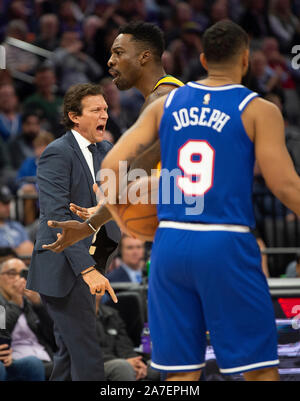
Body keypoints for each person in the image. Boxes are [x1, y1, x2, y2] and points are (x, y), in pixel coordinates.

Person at [99, 20, 290, 381]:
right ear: (246, 60)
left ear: (202, 59)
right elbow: (284, 186)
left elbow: (110, 165)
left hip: (169, 244)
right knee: (259, 371)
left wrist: (126, 218)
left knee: (180, 375)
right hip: (224, 239)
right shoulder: (258, 109)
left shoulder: (165, 104)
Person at [42, 21, 184, 253]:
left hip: (180, 225)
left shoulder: (160, 98)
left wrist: (92, 223)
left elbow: (137, 172)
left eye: (119, 53)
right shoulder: (175, 91)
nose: (110, 61)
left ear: (144, 57)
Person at [26, 83, 120, 381]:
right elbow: (56, 219)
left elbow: (117, 203)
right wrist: (88, 270)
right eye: (96, 110)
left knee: (69, 354)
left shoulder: (108, 151)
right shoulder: (56, 153)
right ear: (74, 116)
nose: (104, 114)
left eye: (105, 109)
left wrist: (103, 253)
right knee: (89, 355)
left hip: (93, 260)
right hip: (63, 267)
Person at [0, 258, 55, 380]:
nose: (18, 279)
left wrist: (38, 306)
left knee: (77, 360)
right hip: (15, 361)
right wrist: (15, 303)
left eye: (23, 274)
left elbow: (55, 338)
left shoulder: (32, 304)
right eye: (12, 273)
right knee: (33, 364)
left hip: (45, 357)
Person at [95, 295, 160, 381]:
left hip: (121, 362)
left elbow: (125, 345)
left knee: (158, 366)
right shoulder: (75, 318)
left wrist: (136, 362)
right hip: (95, 364)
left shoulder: (112, 314)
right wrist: (127, 363)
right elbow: (85, 352)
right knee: (122, 367)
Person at [0, 185, 34, 258]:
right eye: (4, 203)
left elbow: (29, 248)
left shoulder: (16, 225)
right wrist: (16, 251)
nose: (8, 206)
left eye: (9, 203)